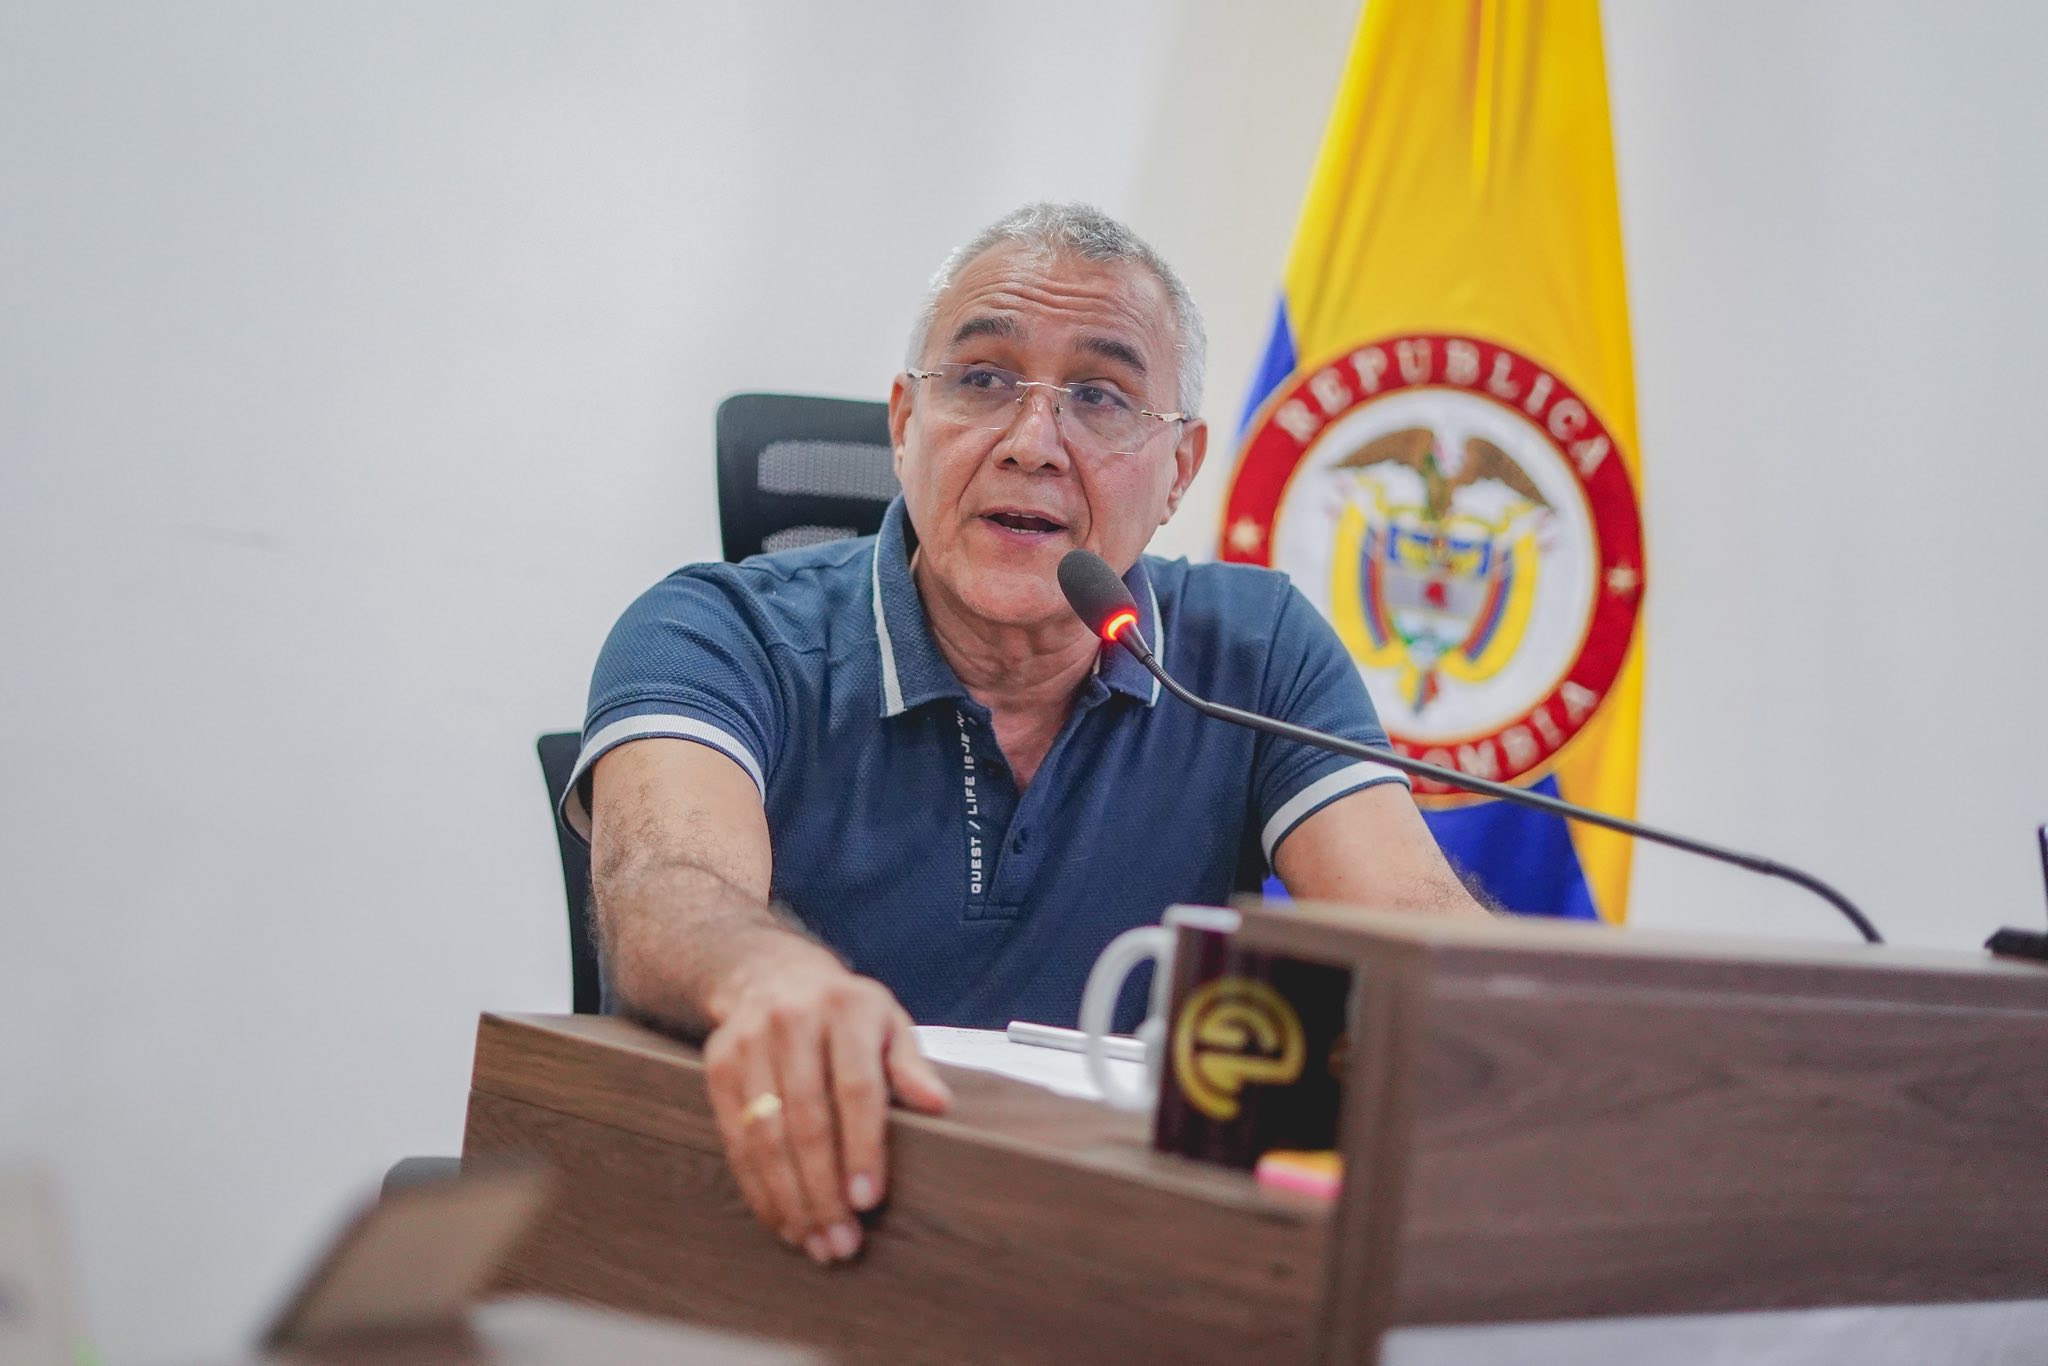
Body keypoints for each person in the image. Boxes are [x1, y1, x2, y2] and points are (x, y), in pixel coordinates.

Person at [564, 203, 1485, 1267]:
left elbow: (1418, 930)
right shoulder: (714, 631)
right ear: (905, 422)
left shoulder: (1253, 651)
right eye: (982, 379)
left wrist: (1536, 1019)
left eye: (1100, 397)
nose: (1032, 444)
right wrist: (770, 978)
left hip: (1107, 1254)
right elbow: (664, 886)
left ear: (1179, 468)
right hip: (789, 1225)